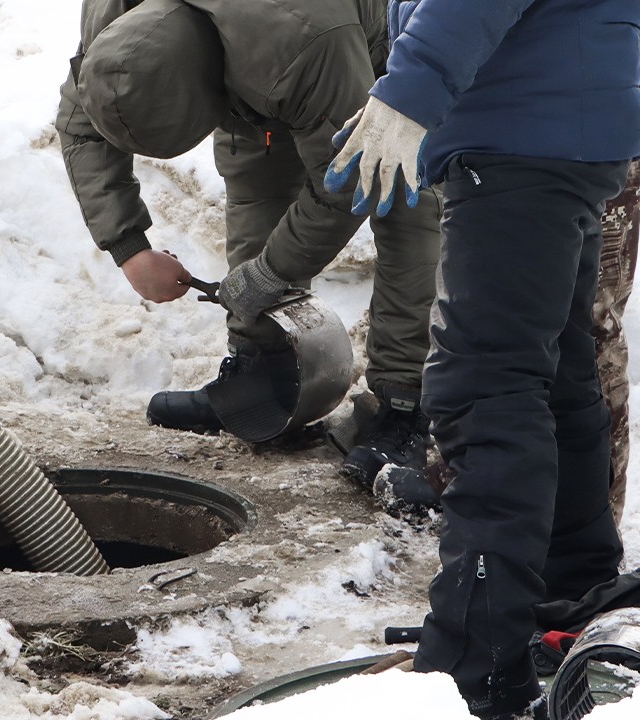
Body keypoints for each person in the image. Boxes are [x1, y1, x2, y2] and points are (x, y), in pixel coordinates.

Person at [324, 1, 640, 718]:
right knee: (556, 379)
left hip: (522, 139)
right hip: (560, 128)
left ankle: (474, 665)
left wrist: (408, 95)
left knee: (487, 391)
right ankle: (568, 609)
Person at [55, 0, 442, 481]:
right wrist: (128, 247)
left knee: (401, 195)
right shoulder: (112, 21)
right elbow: (80, 124)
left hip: (377, 45)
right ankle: (264, 370)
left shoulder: (306, 36)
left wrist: (270, 273)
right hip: (263, 56)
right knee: (256, 177)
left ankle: (403, 405)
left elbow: (344, 186)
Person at [597, 1, 640, 524]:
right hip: (527, 49)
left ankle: (589, 527)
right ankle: (480, 485)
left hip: (612, 46)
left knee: (588, 307)